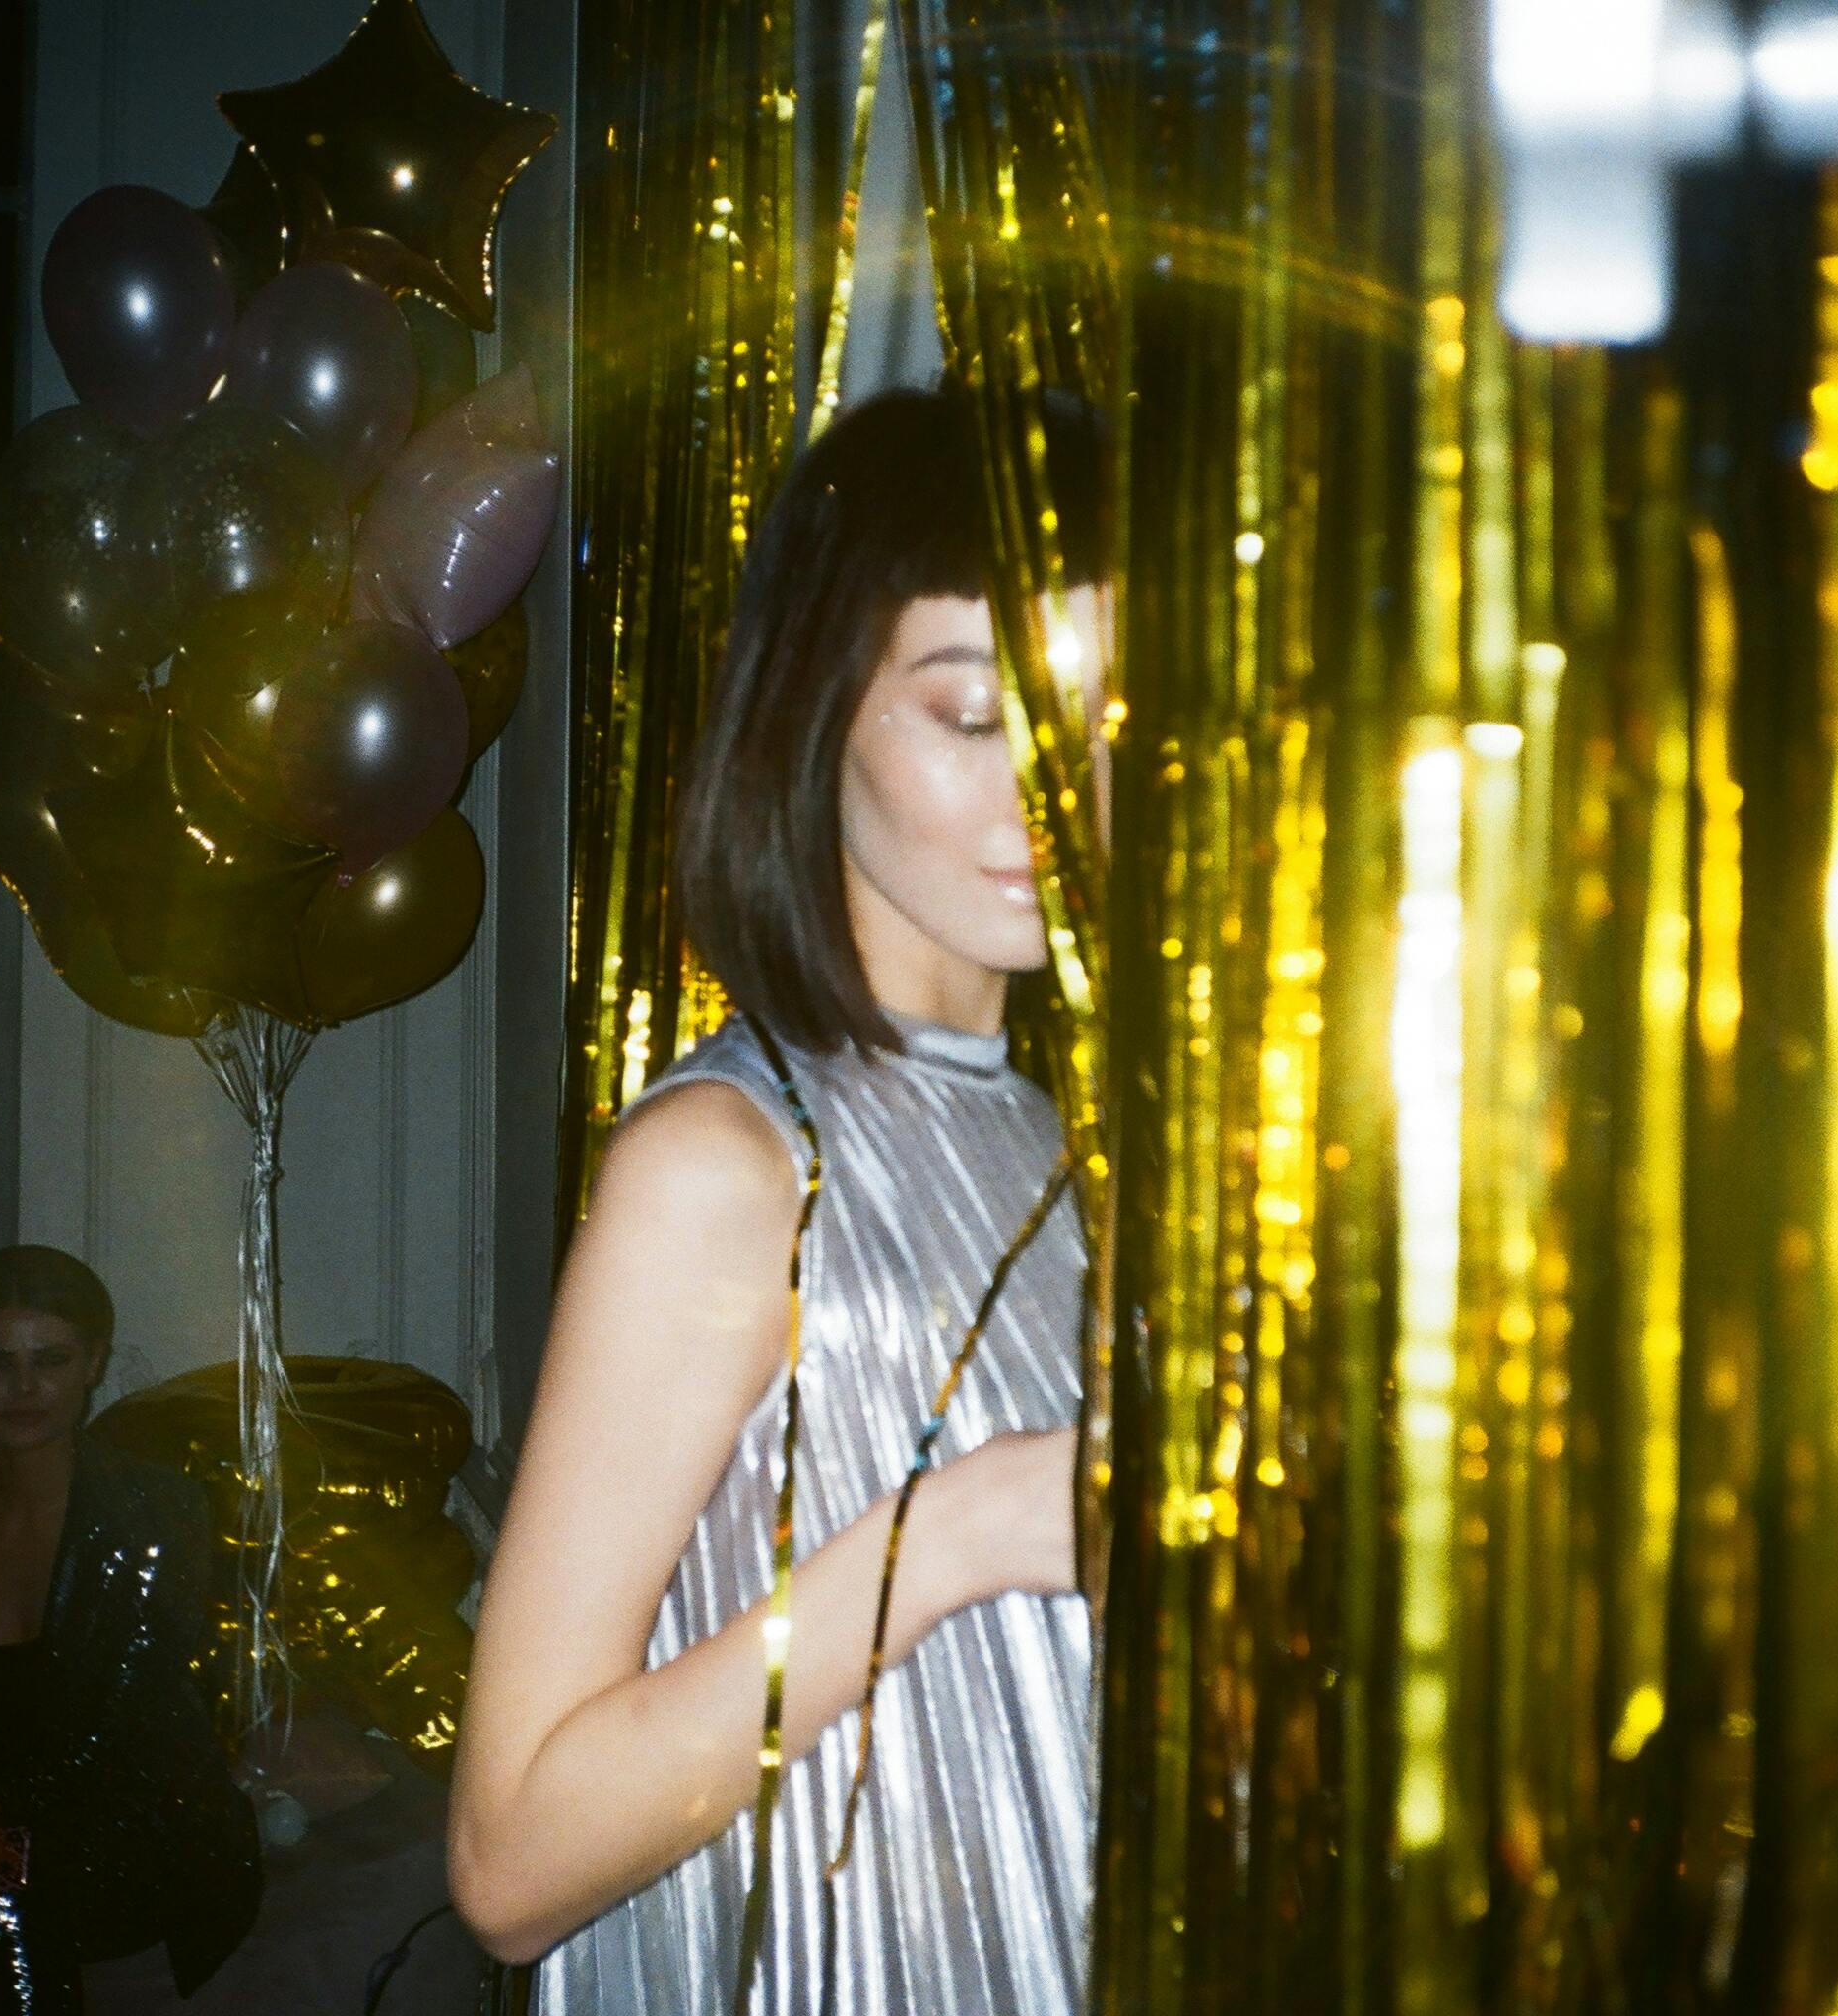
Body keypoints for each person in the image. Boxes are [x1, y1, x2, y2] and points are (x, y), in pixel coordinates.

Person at [449, 387, 1110, 2012]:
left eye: (1105, 712)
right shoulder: (723, 1165)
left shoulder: (1052, 1138)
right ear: (817, 709)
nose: (1058, 785)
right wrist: (946, 1533)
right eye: (972, 714)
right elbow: (509, 1861)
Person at [0, 1246, 260, 2012]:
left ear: (94, 1362)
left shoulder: (162, 1510)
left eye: (51, 1359)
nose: (23, 1388)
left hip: (136, 1819)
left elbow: (133, 1726)